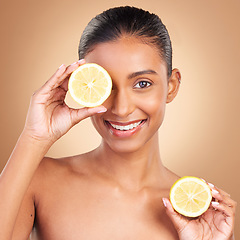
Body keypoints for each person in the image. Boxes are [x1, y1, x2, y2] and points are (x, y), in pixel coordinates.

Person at [0, 6, 236, 240]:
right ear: (85, 86)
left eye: (142, 84)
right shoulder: (39, 180)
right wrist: (34, 137)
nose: (122, 109)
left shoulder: (196, 211)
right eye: (107, 85)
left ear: (171, 86)